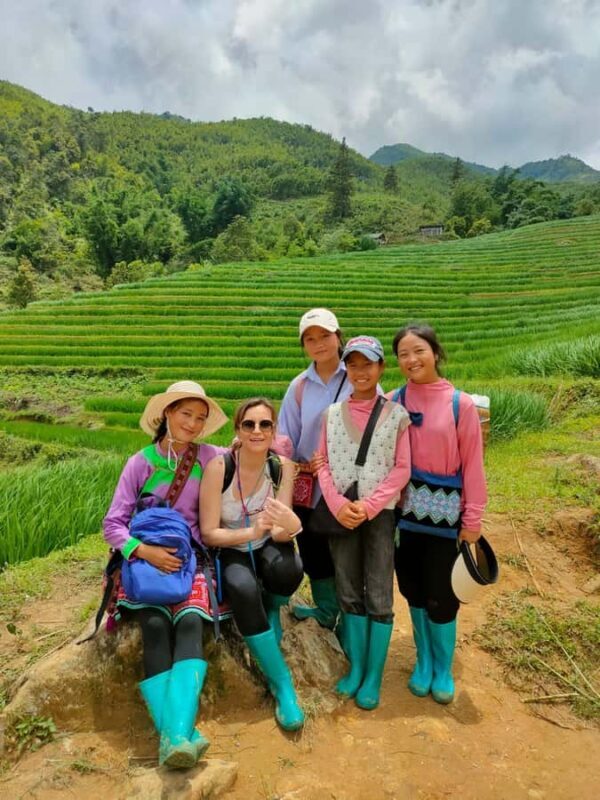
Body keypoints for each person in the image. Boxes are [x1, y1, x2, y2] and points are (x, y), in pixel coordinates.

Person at [103, 380, 228, 769]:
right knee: (155, 625)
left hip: (191, 560)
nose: (192, 424)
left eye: (200, 418)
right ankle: (178, 736)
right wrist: (145, 551)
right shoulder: (140, 462)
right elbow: (113, 524)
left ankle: (174, 736)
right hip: (145, 563)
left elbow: (248, 449)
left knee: (190, 623)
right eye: (185, 414)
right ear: (167, 413)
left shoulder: (209, 457)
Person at [390, 323, 487, 704]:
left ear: (435, 352)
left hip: (447, 518)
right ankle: (424, 659)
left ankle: (443, 667)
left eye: (419, 351)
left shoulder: (460, 404)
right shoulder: (394, 400)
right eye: (403, 354)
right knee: (412, 587)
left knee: (442, 592)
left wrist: (473, 519)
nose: (411, 359)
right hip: (405, 516)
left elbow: (473, 465)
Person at [316, 336, 411, 710]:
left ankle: (373, 676)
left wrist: (369, 506)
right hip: (341, 515)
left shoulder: (397, 415)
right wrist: (338, 504)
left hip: (380, 516)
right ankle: (356, 669)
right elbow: (322, 464)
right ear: (346, 368)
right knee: (348, 588)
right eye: (353, 364)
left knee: (380, 592)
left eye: (367, 364)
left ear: (381, 367)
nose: (360, 371)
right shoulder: (331, 415)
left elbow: (402, 468)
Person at [200, 397, 305, 731]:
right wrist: (250, 531)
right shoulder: (220, 468)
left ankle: (273, 608)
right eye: (249, 424)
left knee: (290, 569)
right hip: (231, 545)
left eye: (264, 424)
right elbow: (209, 532)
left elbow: (280, 531)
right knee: (243, 589)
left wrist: (292, 526)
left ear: (274, 430)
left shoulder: (281, 467)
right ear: (238, 430)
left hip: (266, 543)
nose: (257, 431)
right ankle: (283, 686)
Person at [277, 308, 352, 631]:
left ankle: (351, 618)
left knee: (347, 551)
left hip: (348, 484)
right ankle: (326, 609)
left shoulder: (358, 377)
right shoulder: (299, 386)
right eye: (310, 339)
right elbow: (285, 437)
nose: (319, 343)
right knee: (312, 548)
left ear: (338, 337)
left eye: (325, 335)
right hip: (308, 484)